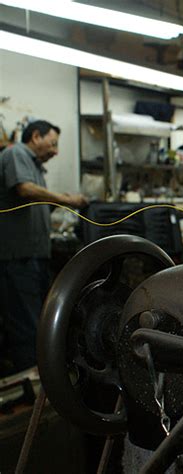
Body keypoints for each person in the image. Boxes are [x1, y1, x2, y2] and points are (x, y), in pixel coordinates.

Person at [0, 120, 88, 373]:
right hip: (17, 257)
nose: (56, 151)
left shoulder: (36, 167)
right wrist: (67, 200)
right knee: (26, 325)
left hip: (34, 256)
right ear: (35, 136)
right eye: (53, 143)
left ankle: (41, 379)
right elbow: (25, 190)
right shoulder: (16, 153)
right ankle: (31, 383)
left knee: (39, 320)